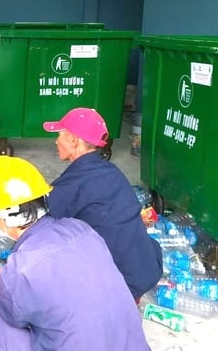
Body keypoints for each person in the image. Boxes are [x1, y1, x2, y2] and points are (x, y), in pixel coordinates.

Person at [0, 156, 150, 351]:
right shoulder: (81, 229)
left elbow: (12, 317)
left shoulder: (21, 270)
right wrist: (17, 279)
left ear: (1, 216)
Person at [42, 107, 163, 300]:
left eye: (60, 134)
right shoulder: (111, 170)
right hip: (147, 268)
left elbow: (39, 217)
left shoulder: (75, 181)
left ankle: (120, 300)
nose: (56, 140)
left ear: (74, 140)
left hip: (119, 284)